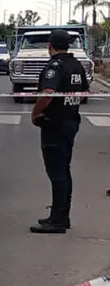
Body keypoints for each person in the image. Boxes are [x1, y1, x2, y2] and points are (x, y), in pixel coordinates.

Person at [29, 29, 89, 234]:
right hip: (70, 121)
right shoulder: (76, 65)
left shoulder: (55, 66)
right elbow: (83, 93)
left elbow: (47, 94)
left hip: (54, 124)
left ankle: (58, 219)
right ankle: (61, 214)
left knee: (57, 172)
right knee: (63, 170)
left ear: (50, 45)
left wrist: (36, 112)